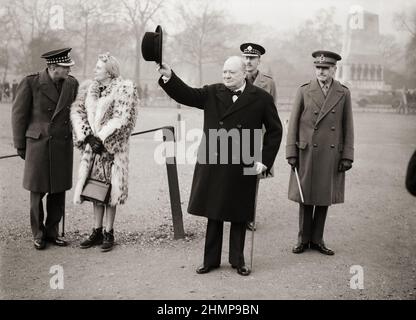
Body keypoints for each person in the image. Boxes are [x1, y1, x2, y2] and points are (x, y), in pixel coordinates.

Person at [157, 56, 282, 276]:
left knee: (239, 213)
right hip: (215, 161)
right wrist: (170, 77)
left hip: (244, 161)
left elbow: (275, 131)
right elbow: (187, 94)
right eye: (224, 72)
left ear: (244, 73)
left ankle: (238, 260)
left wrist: (264, 160)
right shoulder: (213, 92)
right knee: (213, 212)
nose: (226, 76)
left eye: (231, 73)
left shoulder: (261, 98)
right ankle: (210, 260)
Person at [286, 50, 354, 256]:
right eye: (318, 67)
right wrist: (291, 152)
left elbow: (348, 126)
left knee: (324, 197)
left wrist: (347, 155)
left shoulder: (343, 92)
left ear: (334, 69)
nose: (321, 71)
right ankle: (303, 239)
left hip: (331, 154)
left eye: (325, 68)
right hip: (307, 151)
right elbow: (294, 123)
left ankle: (317, 239)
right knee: (305, 196)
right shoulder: (304, 90)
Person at [11, 48, 79, 250]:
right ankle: (38, 233)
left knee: (58, 191)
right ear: (52, 67)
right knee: (37, 191)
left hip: (61, 144)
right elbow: (18, 115)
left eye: (68, 68)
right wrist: (20, 145)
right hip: (38, 144)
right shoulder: (31, 82)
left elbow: (76, 112)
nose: (68, 71)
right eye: (64, 67)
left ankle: (52, 232)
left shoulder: (72, 83)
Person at [71, 52, 139, 252]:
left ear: (109, 71)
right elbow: (77, 112)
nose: (94, 70)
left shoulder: (124, 89)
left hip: (112, 149)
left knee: (110, 191)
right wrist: (87, 136)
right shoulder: (89, 89)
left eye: (98, 68)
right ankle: (96, 230)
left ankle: (109, 232)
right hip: (93, 148)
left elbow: (124, 119)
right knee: (94, 190)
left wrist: (103, 138)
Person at [240, 42, 278, 232]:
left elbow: (272, 116)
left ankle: (248, 216)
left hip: (257, 138)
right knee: (232, 177)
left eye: (252, 58)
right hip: (236, 136)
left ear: (258, 60)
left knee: (252, 178)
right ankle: (232, 213)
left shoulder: (268, 83)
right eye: (246, 57)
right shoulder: (234, 77)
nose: (248, 61)